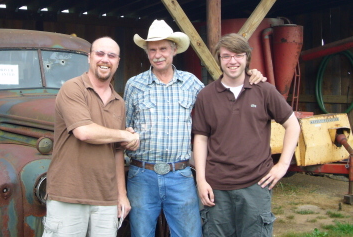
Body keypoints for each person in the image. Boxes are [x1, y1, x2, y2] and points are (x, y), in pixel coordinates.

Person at [124, 20, 265, 237]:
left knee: (190, 233)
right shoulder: (134, 85)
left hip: (180, 175)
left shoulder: (192, 83)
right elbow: (125, 126)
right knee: (141, 233)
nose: (158, 54)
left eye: (163, 49)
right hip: (142, 174)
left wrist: (249, 74)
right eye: (152, 50)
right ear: (147, 53)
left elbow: (222, 93)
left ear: (174, 50)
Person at [192, 33, 301, 237]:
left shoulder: (264, 90)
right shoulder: (206, 96)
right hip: (217, 188)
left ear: (246, 58)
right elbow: (201, 138)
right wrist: (201, 180)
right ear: (219, 60)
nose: (232, 61)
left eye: (238, 55)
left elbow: (293, 125)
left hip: (256, 185)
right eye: (226, 56)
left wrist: (283, 166)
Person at [42, 36, 140, 237]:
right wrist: (124, 134)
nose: (105, 59)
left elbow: (117, 151)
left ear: (118, 62)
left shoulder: (118, 102)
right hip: (68, 195)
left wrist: (121, 195)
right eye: (100, 54)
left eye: (111, 56)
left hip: (105, 198)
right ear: (89, 57)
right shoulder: (72, 88)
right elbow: (83, 132)